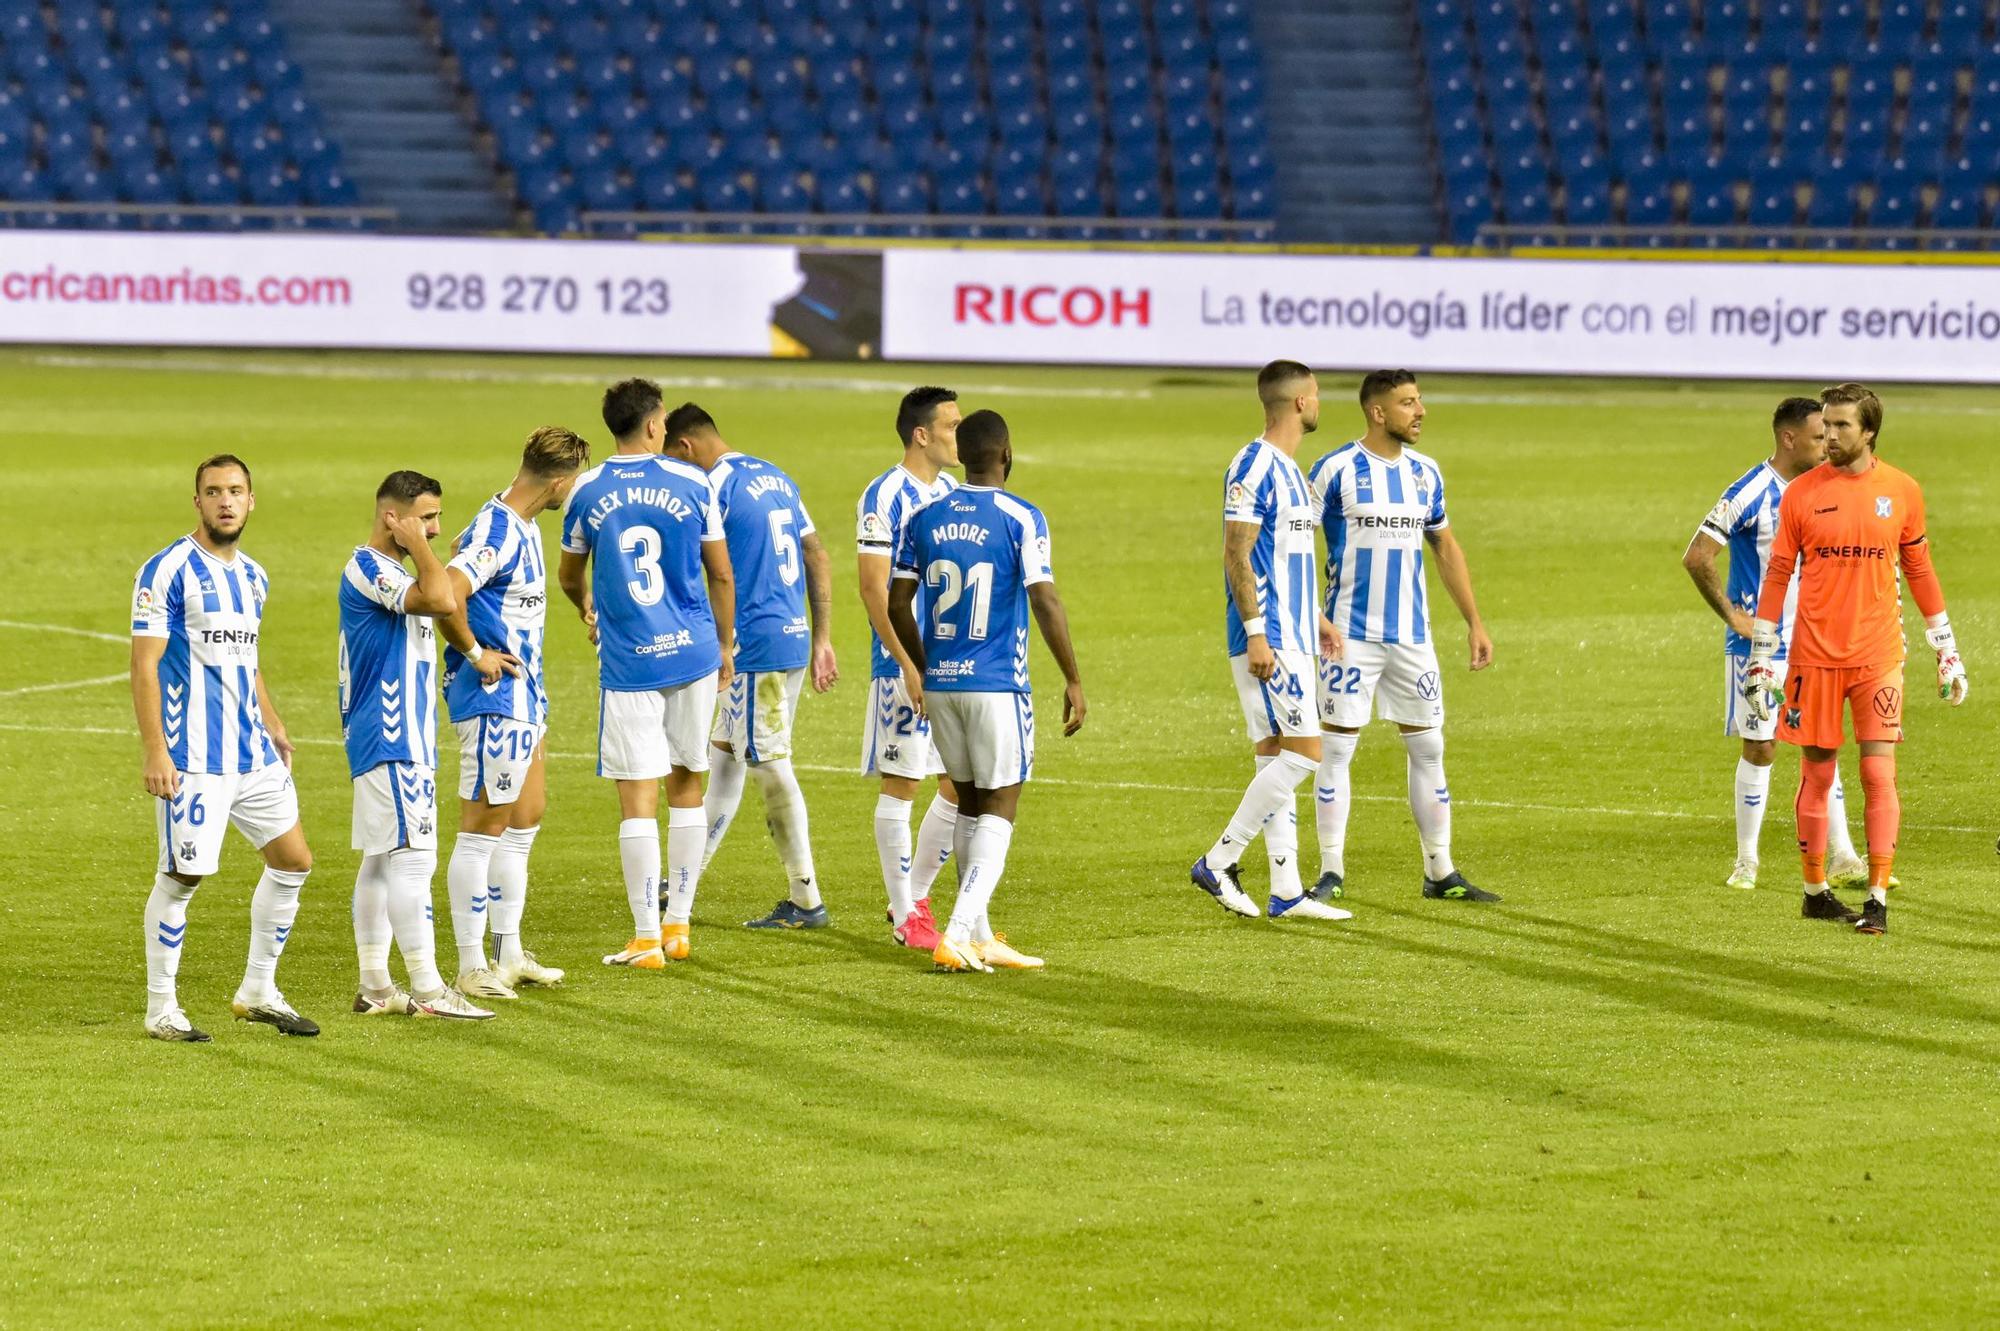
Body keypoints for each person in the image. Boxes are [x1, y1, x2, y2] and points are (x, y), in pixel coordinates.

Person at [1744, 383, 1968, 935]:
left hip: (1878, 655)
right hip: (1813, 657)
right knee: (1817, 772)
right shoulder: (1800, 493)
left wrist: (1946, 649)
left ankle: (1876, 898)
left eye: (1842, 426)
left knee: (1877, 771)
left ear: (1869, 432)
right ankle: (1815, 890)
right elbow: (1777, 575)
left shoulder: (1902, 491)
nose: (1829, 436)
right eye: (1826, 425)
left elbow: (1919, 570)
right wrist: (1761, 657)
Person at [888, 409, 1086, 971]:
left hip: (943, 683)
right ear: (1006, 454)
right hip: (998, 684)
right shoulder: (1021, 516)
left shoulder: (923, 518)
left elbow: (897, 602)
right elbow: (1044, 599)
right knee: (1001, 803)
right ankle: (955, 933)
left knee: (970, 802)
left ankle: (977, 934)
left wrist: (926, 668)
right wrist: (1072, 677)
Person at [131, 454, 317, 1041]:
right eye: (214, 492)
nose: (226, 501)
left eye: (236, 491)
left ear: (252, 500)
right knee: (181, 879)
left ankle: (258, 990)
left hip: (254, 754)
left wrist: (274, 721)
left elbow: (247, 660)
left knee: (293, 862)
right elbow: (144, 666)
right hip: (193, 758)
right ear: (198, 503)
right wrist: (156, 750)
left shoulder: (255, 576)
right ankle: (162, 1007)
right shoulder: (167, 570)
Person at [557, 389, 734, 968]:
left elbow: (568, 572)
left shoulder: (587, 489)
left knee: (637, 798)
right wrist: (726, 647)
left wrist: (589, 607)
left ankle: (645, 937)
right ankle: (678, 924)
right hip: (693, 655)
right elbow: (721, 575)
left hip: (631, 662)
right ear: (657, 426)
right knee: (688, 784)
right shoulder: (694, 484)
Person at [1306, 370, 1498, 903]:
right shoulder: (1335, 470)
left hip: (1413, 636)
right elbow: (1294, 543)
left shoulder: (1426, 473)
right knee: (1337, 751)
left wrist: (1474, 622)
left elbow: (1445, 546)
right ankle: (1330, 873)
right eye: (1408, 402)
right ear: (1377, 412)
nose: (1421, 411)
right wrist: (1307, 613)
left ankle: (1440, 871)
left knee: (1429, 746)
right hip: (1348, 636)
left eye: (1419, 400)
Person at [1683, 398, 1874, 891]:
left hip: (1816, 643)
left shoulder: (1827, 489)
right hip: (1759, 647)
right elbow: (1697, 556)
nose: (1828, 442)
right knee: (1762, 747)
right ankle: (1746, 861)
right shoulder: (1750, 492)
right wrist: (1734, 616)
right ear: (1788, 439)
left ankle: (1845, 855)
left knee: (1822, 743)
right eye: (1817, 436)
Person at [662, 405, 840, 930]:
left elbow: (699, 570)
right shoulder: (774, 476)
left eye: (672, 459)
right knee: (726, 759)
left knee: (767, 762)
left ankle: (806, 897)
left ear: (687, 447)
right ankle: (683, 883)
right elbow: (818, 555)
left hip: (749, 647)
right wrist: (823, 635)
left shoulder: (710, 488)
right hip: (791, 636)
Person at [1188, 361, 1351, 922]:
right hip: (1269, 636)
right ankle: (1220, 858)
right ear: (1302, 403)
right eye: (1317, 396)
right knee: (1307, 752)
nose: (1320, 404)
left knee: (1274, 754)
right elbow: (1237, 551)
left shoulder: (1292, 473)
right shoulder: (1254, 465)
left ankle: (1286, 888)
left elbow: (1287, 560)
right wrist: (1258, 635)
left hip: (1295, 632)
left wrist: (1321, 622)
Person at [439, 427, 589, 998]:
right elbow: (447, 593)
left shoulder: (516, 523)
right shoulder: (498, 530)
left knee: (525, 819)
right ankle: (470, 966)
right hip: (495, 702)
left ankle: (508, 954)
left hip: (527, 700)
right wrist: (476, 653)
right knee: (482, 832)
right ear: (556, 481)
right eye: (570, 483)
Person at [339, 471, 494, 1020]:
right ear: (393, 518)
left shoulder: (384, 569)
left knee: (382, 860)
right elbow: (440, 596)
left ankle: (376, 985)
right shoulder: (370, 567)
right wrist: (426, 553)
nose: (435, 527)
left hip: (389, 737)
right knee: (414, 860)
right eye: (426, 517)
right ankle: (430, 991)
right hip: (391, 734)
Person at [856, 386, 963, 949]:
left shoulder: (950, 491)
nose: (959, 434)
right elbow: (874, 590)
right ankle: (905, 916)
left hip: (951, 664)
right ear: (921, 434)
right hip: (902, 665)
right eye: (951, 425)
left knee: (958, 787)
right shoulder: (885, 495)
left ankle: (914, 899)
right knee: (902, 787)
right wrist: (905, 662)